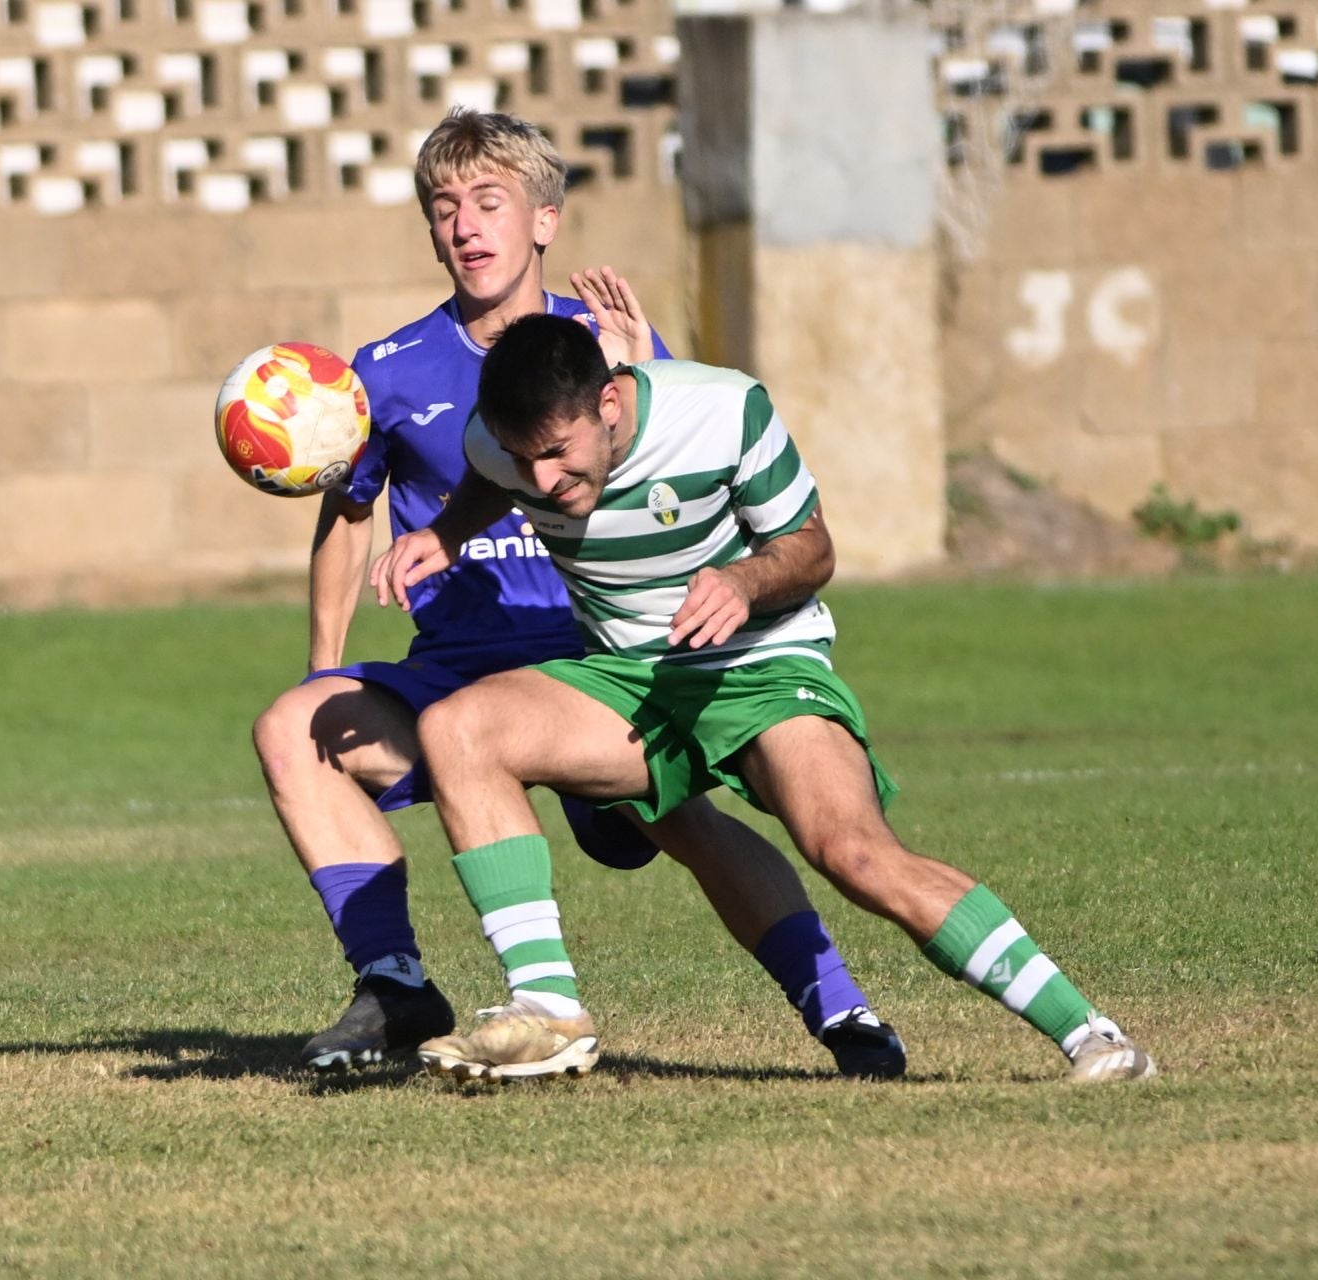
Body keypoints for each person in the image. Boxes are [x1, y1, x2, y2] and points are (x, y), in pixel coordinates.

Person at [252, 108, 905, 1078]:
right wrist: (323, 662)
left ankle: (842, 1010)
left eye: (488, 202)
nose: (467, 225)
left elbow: (695, 482)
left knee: (678, 822)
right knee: (293, 726)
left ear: (542, 221)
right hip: (452, 673)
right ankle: (394, 985)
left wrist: (651, 364)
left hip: (594, 663)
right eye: (445, 208)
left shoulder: (609, 349)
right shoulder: (383, 374)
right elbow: (349, 515)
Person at [372, 313, 1158, 1085]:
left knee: (853, 855)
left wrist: (743, 582)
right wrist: (447, 534)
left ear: (608, 403)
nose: (542, 479)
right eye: (522, 457)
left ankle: (1091, 1034)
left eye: (556, 453)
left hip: (763, 664)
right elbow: (487, 475)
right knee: (458, 728)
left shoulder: (723, 410)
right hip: (629, 679)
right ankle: (549, 1013)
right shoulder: (501, 443)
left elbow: (813, 550)